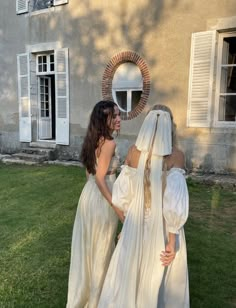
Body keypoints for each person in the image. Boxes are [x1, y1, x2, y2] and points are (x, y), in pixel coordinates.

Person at [98, 104, 189, 308]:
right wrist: (172, 241)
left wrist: (127, 223)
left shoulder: (133, 152)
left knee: (130, 272)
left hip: (136, 221)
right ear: (170, 126)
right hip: (165, 227)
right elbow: (173, 203)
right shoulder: (177, 156)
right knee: (160, 275)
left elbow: (123, 196)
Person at [66, 100, 124, 308]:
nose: (118, 119)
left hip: (88, 196)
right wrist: (116, 207)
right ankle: (98, 301)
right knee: (102, 248)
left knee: (90, 248)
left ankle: (88, 295)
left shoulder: (93, 140)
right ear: (103, 120)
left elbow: (89, 173)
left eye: (118, 115)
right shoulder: (109, 144)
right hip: (102, 198)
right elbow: (100, 178)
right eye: (114, 116)